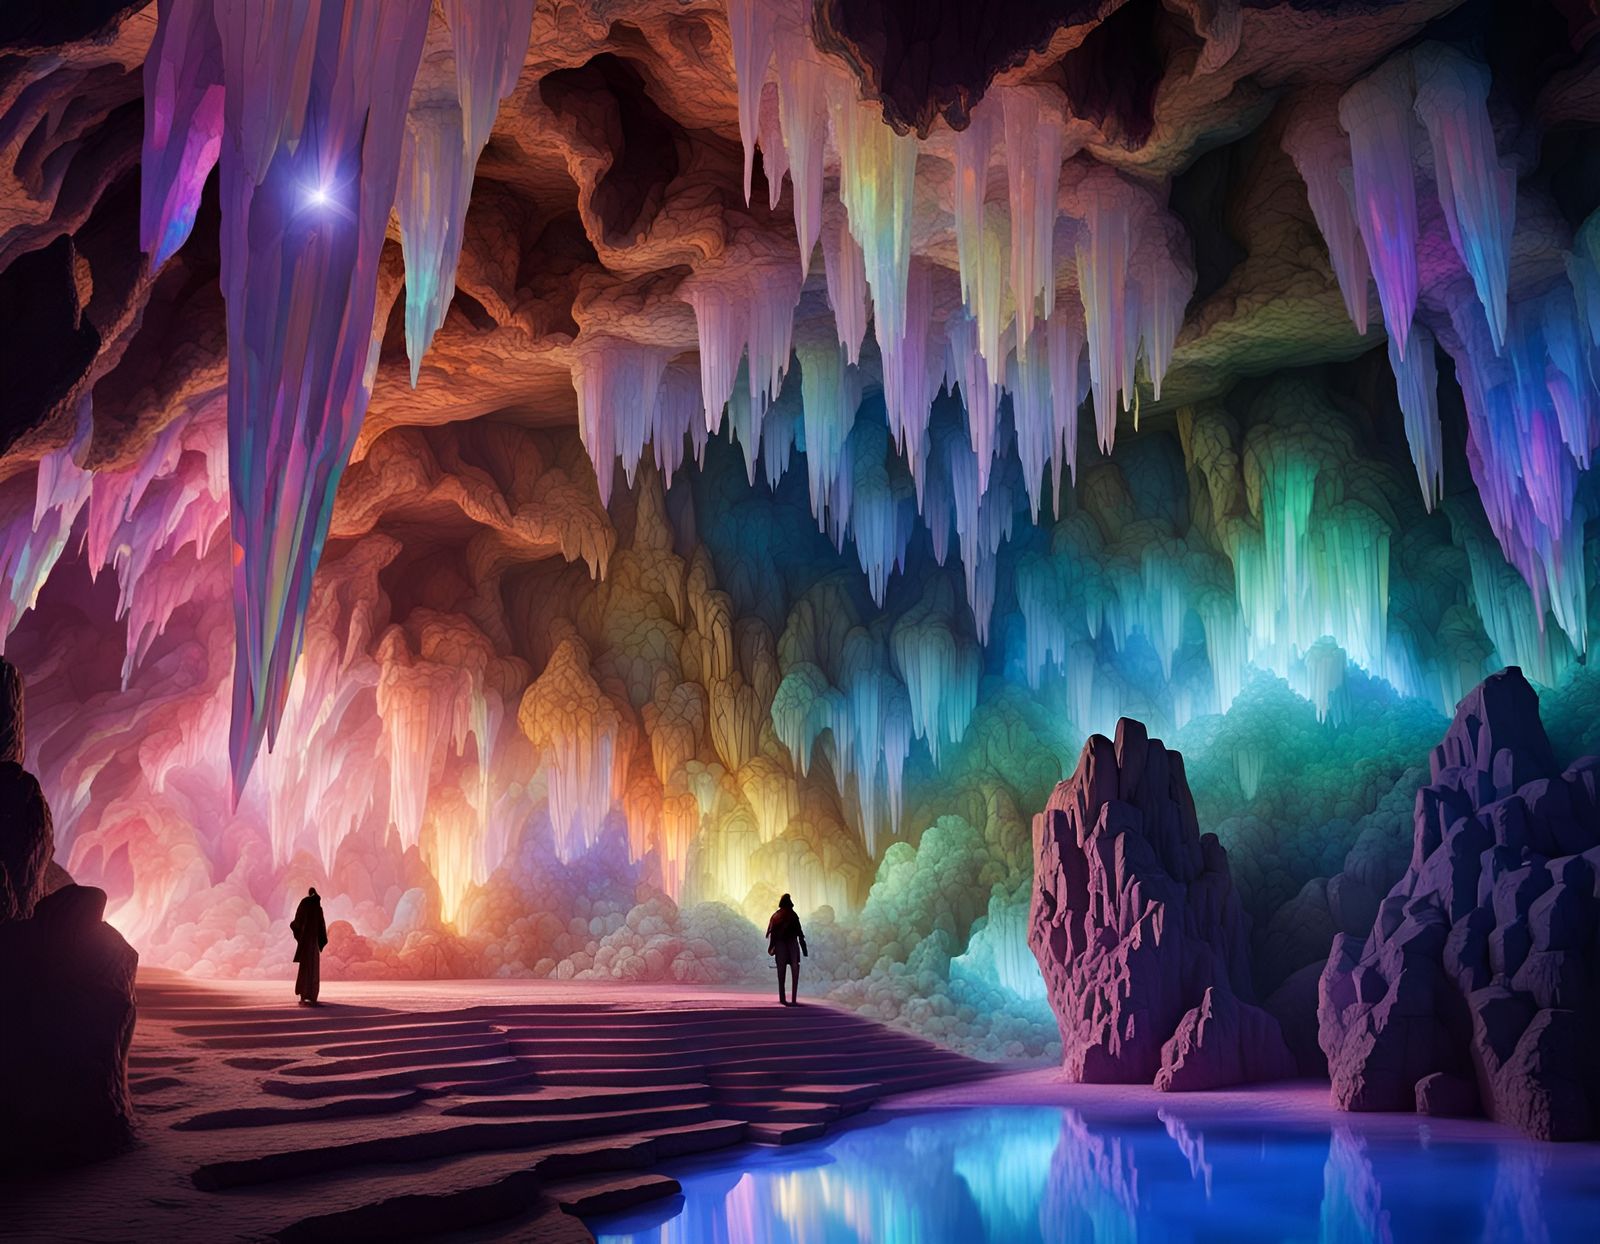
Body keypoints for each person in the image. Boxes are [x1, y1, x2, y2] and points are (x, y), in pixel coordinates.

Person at [765, 893, 808, 1006]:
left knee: (781, 973)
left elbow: (772, 934)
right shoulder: (793, 915)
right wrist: (804, 950)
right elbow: (800, 934)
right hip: (791, 945)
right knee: (793, 970)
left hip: (782, 946)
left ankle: (783, 998)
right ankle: (792, 999)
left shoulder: (776, 916)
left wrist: (771, 948)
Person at [290, 887, 328, 1006]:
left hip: (306, 942)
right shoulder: (318, 908)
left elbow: (297, 922)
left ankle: (304, 993)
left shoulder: (304, 904)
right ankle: (312, 994)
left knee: (305, 967)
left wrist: (295, 927)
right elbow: (322, 926)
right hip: (314, 942)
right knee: (313, 968)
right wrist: (321, 941)